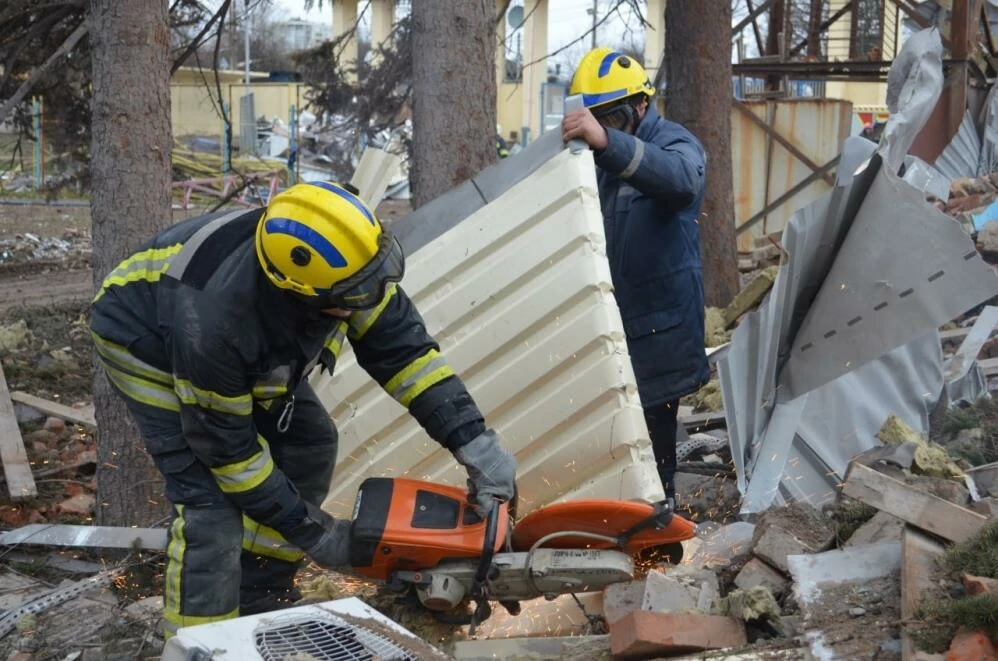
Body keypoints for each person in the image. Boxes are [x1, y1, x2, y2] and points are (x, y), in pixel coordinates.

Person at [88, 181, 517, 637]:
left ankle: (258, 594)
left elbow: (405, 355)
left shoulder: (348, 266)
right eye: (355, 295)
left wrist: (475, 442)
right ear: (302, 295)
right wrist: (316, 535)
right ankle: (200, 642)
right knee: (209, 505)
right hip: (143, 341)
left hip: (238, 337)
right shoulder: (216, 330)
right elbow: (232, 461)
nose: (371, 296)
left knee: (310, 442)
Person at [561, 47, 710, 502]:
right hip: (612, 332)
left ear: (642, 105)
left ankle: (661, 540)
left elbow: (682, 180)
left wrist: (608, 143)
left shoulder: (676, 144)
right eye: (598, 122)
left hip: (660, 335)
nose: (605, 131)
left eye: (615, 119)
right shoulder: (589, 159)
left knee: (652, 448)